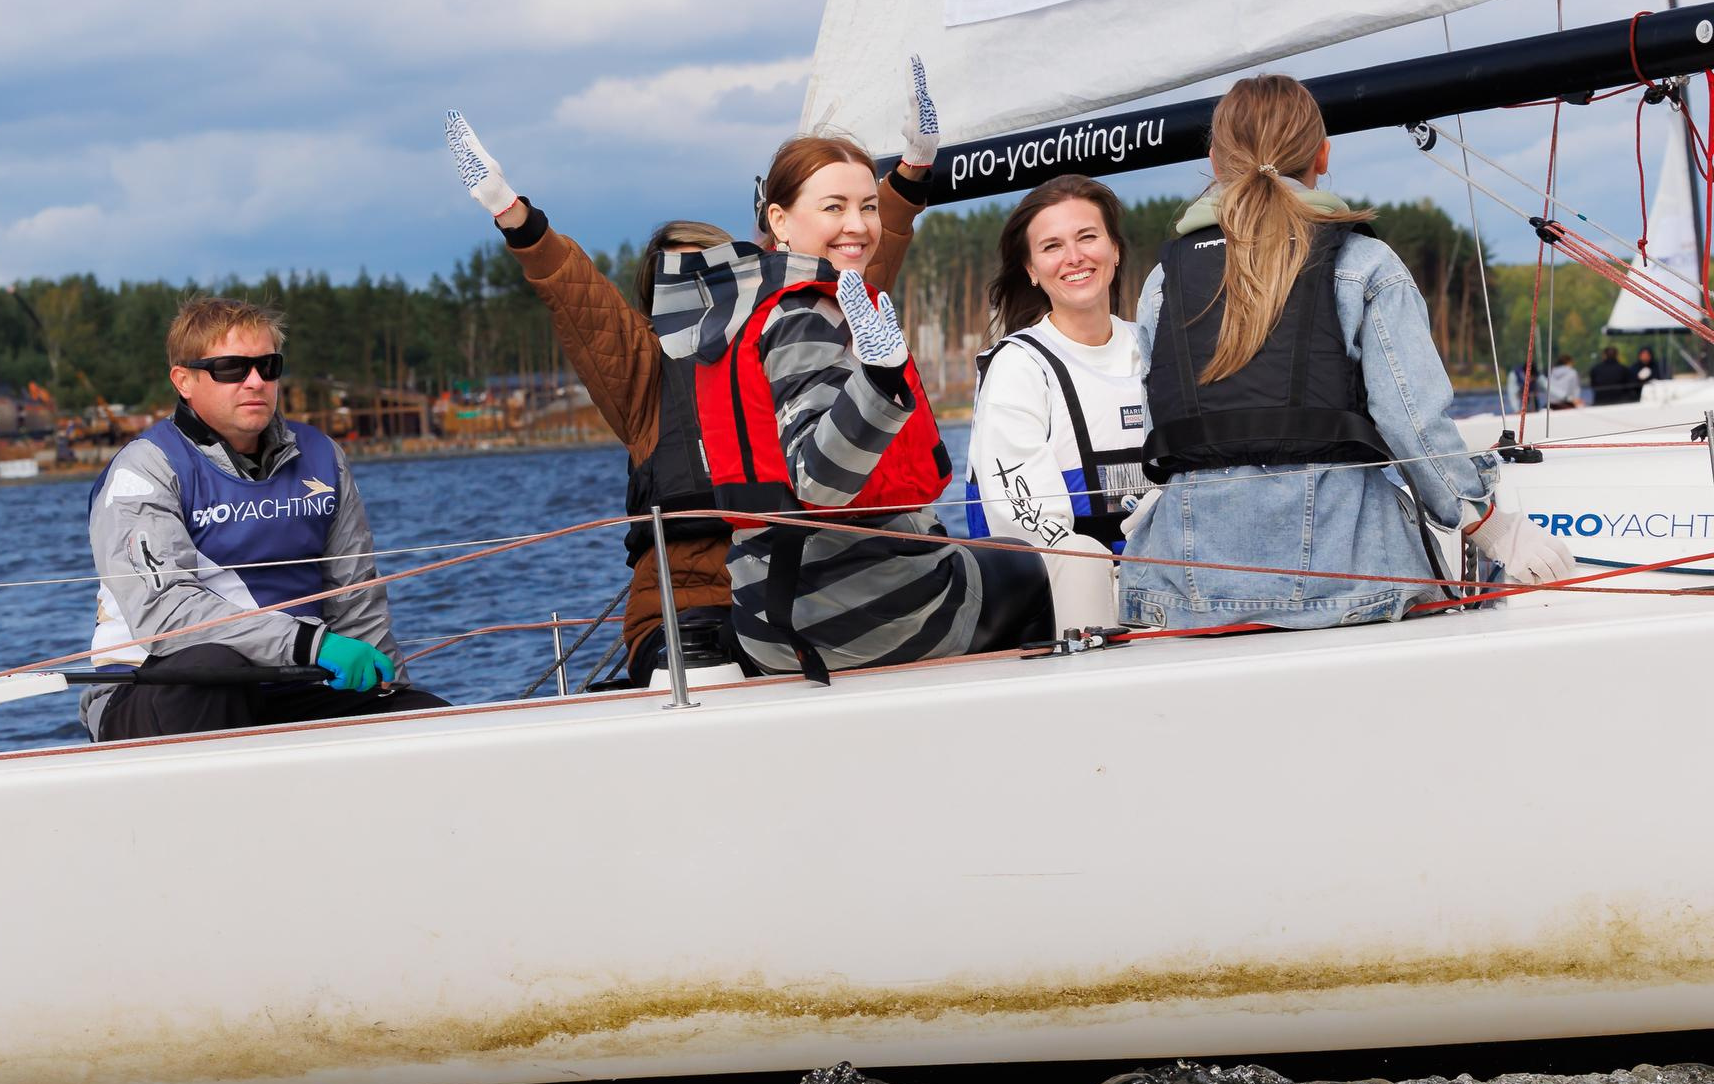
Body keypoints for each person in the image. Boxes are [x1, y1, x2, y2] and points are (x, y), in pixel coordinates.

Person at [442, 57, 941, 685]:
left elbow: (854, 252)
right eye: (675, 286)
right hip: (688, 606)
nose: (700, 299)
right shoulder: (645, 381)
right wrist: (512, 213)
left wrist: (912, 173)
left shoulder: (789, 323)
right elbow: (580, 301)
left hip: (811, 584)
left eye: (708, 271)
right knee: (711, 680)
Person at [1121, 74, 1573, 630]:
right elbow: (1414, 427)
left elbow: (1161, 420)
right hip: (1352, 582)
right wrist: (1488, 525)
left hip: (1183, 586)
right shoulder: (1364, 265)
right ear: (1323, 154)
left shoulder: (1165, 280)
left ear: (1215, 162)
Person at [651, 133, 1052, 680]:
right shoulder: (804, 317)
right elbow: (819, 481)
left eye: (868, 206)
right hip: (858, 611)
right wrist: (881, 383)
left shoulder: (747, 308)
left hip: (768, 611)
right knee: (1025, 565)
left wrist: (916, 167)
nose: (859, 225)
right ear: (781, 220)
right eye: (833, 207)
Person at [82, 296, 448, 740]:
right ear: (184, 381)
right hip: (152, 688)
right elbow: (167, 616)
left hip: (291, 681)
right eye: (232, 369)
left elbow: (354, 598)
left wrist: (385, 685)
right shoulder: (143, 472)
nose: (255, 382)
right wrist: (309, 645)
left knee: (433, 721)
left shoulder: (322, 458)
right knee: (213, 665)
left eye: (267, 366)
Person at [964, 175, 1145, 632]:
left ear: (1116, 249)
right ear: (1030, 269)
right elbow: (1021, 515)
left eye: (1088, 237)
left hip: (1158, 576)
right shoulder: (1019, 367)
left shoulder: (1154, 347)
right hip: (1061, 597)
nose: (1074, 257)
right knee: (1081, 558)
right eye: (1052, 247)